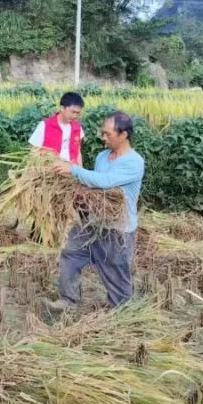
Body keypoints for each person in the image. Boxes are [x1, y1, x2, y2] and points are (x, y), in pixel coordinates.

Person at [46, 111, 144, 310]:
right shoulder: (102, 156)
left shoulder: (134, 162)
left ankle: (121, 310)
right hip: (93, 222)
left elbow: (106, 182)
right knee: (71, 252)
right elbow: (95, 188)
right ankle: (68, 300)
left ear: (123, 134)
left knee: (115, 269)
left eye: (108, 134)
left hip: (118, 229)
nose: (103, 138)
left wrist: (72, 169)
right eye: (103, 133)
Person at [29, 91, 84, 165]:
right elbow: (33, 151)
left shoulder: (77, 127)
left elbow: (78, 152)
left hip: (71, 171)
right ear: (62, 108)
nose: (75, 116)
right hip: (50, 173)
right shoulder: (45, 126)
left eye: (78, 113)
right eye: (73, 112)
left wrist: (80, 172)